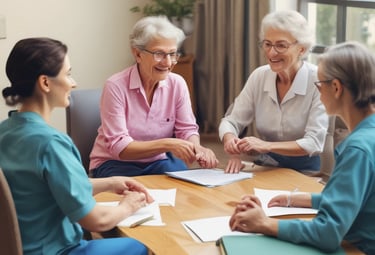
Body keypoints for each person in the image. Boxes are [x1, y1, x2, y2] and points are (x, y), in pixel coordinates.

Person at [0, 37, 154, 255]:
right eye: (68, 74)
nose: (73, 83)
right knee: (142, 247)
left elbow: (47, 187)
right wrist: (128, 206)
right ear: (45, 82)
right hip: (58, 251)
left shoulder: (5, 131)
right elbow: (96, 221)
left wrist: (109, 183)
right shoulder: (52, 144)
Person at [229, 41, 375, 254]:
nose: (317, 90)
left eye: (319, 84)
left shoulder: (357, 150)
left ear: (336, 88)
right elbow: (356, 198)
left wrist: (266, 223)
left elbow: (327, 233)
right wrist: (304, 199)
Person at [89, 16, 218, 177]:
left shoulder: (177, 84)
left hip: (158, 161)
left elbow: (187, 129)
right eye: (159, 54)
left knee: (186, 188)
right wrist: (168, 144)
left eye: (172, 54)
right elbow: (119, 148)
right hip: (115, 163)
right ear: (137, 54)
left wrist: (197, 148)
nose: (168, 62)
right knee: (134, 195)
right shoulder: (115, 86)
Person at [219, 10, 328, 173]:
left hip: (305, 171)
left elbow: (314, 142)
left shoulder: (318, 80)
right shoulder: (259, 76)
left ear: (302, 49)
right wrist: (231, 141)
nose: (271, 53)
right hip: (267, 165)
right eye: (267, 44)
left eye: (281, 45)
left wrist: (265, 146)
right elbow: (231, 121)